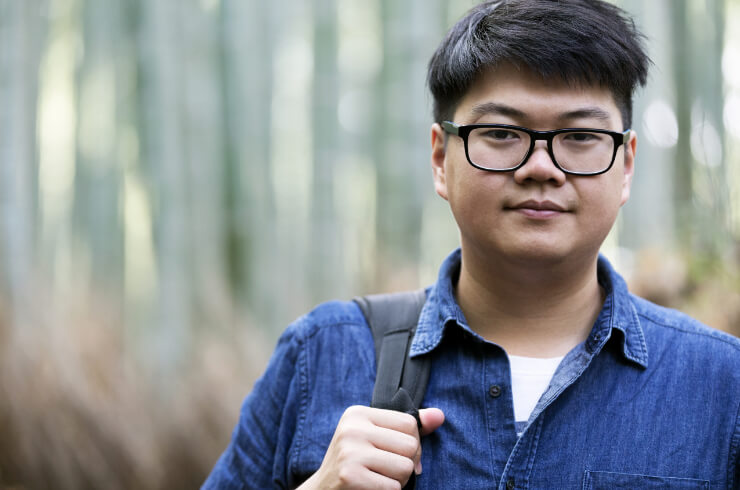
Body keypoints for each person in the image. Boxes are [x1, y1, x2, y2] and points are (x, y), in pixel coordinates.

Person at [204, 0, 740, 488]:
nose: (541, 168)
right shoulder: (322, 354)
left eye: (580, 137)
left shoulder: (721, 382)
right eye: (503, 133)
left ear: (625, 166)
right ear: (441, 157)